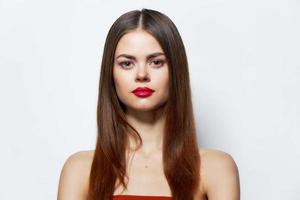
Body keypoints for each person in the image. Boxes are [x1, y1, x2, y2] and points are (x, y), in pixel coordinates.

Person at [57, 8, 240, 200]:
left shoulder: (216, 168)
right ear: (110, 74)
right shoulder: (79, 170)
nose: (142, 74)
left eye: (156, 62)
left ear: (176, 71)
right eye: (127, 63)